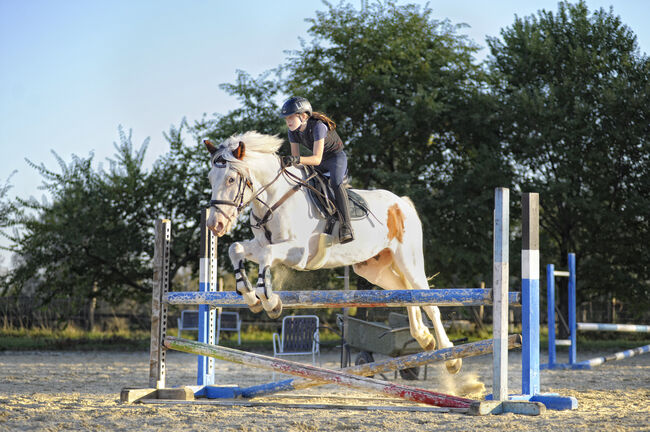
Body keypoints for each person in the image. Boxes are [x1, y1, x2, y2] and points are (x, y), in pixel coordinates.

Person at [280, 96, 354, 244]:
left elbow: (315, 159)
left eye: (290, 117)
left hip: (335, 158)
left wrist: (296, 159)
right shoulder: (292, 132)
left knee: (335, 183)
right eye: (286, 118)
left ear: (303, 116)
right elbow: (296, 161)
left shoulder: (318, 126)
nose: (288, 121)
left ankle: (347, 227)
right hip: (318, 162)